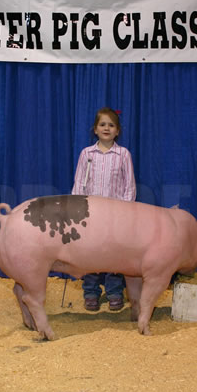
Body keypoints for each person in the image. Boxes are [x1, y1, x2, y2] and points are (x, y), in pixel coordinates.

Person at [72, 107, 136, 312]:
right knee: (90, 253)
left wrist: (126, 211)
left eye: (111, 125)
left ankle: (114, 291)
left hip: (115, 215)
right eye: (102, 124)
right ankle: (90, 291)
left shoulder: (123, 154)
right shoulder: (87, 154)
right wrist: (77, 208)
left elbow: (129, 186)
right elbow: (79, 183)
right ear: (95, 129)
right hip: (90, 214)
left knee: (114, 253)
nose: (106, 128)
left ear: (117, 131)